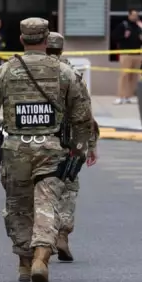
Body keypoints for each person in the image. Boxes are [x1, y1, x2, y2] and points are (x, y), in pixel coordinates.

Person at [0, 18, 97, 282]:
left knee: (18, 206)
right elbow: (82, 116)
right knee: (47, 202)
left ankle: (24, 260)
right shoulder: (64, 72)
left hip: (15, 148)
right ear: (46, 39)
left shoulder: (5, 71)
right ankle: (42, 254)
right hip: (51, 148)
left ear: (21, 39)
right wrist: (79, 149)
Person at [45, 31, 99, 263]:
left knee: (42, 189)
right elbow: (85, 113)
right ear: (62, 49)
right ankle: (63, 234)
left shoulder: (33, 72)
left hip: (38, 140)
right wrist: (90, 144)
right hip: (68, 141)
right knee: (68, 187)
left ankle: (41, 237)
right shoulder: (73, 74)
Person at [113, 9, 142, 104]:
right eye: (133, 15)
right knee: (124, 75)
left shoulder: (138, 26)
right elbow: (114, 37)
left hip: (137, 54)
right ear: (129, 15)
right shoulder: (123, 25)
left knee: (134, 76)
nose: (135, 17)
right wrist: (124, 37)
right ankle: (121, 96)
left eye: (136, 15)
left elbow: (141, 39)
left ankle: (128, 96)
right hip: (126, 54)